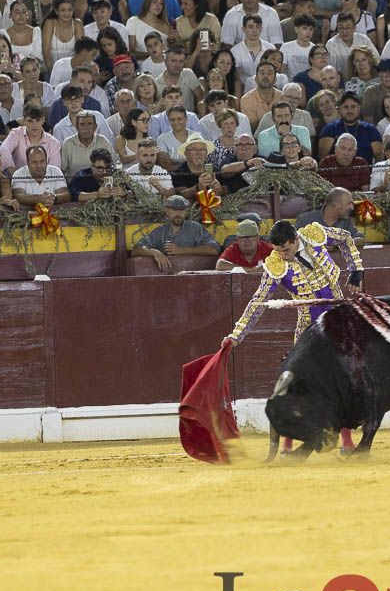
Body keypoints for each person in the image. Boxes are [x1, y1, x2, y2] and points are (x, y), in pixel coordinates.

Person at [223, 216, 364, 453]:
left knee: (345, 378)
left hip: (339, 321)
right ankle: (288, 443)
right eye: (278, 250)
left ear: (296, 239)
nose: (283, 255)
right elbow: (258, 302)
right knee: (299, 386)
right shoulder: (275, 265)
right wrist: (236, 335)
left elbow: (346, 238)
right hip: (309, 327)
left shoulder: (315, 235)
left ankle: (347, 442)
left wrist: (356, 270)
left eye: (286, 249)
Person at [132, 193, 221, 270]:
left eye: (181, 210)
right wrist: (154, 252)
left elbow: (213, 249)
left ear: (186, 211)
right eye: (174, 210)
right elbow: (136, 250)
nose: (178, 214)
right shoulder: (159, 232)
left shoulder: (195, 228)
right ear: (166, 211)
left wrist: (181, 250)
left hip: (191, 274)